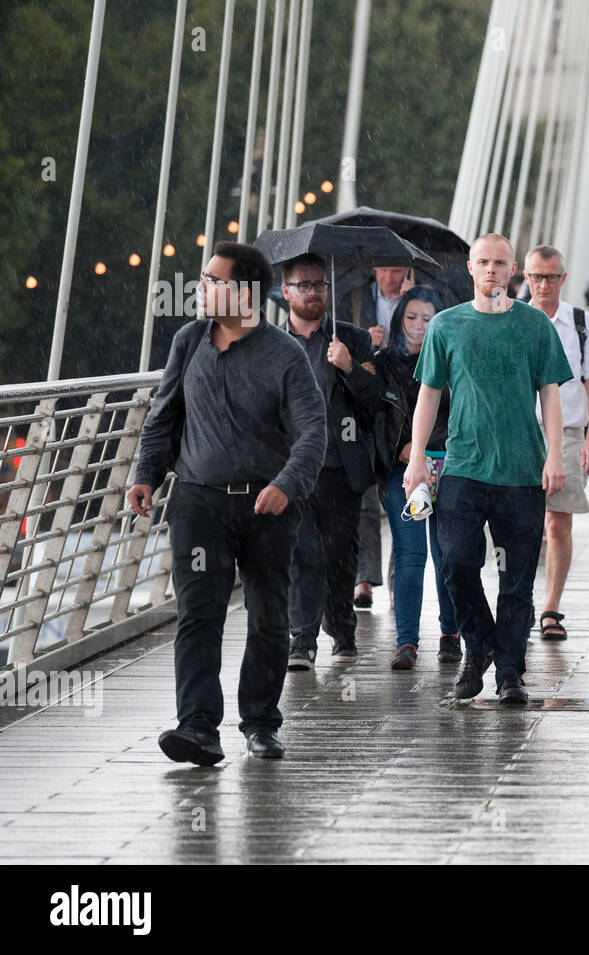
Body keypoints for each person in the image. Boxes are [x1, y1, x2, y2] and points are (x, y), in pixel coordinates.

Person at [128, 241, 325, 764]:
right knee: (198, 614)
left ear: (244, 293)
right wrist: (145, 475)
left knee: (267, 617)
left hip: (268, 507)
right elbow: (163, 417)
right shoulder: (188, 341)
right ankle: (197, 728)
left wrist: (287, 484)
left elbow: (312, 431)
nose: (201, 288)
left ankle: (260, 722)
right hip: (198, 503)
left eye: (212, 281)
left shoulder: (284, 355)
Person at [403, 233, 572, 705]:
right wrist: (418, 458)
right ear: (471, 269)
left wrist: (555, 455)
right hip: (463, 467)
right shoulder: (447, 326)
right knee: (456, 562)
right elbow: (429, 395)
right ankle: (478, 647)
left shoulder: (535, 326)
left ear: (513, 269)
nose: (492, 271)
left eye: (501, 263)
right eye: (484, 263)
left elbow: (551, 393)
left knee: (517, 580)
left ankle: (511, 674)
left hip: (522, 470)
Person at [281, 253, 383, 671]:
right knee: (301, 553)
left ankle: (342, 629)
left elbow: (375, 399)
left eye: (320, 284)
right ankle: (302, 640)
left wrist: (349, 368)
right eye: (303, 285)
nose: (313, 292)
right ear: (285, 291)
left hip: (341, 464)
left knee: (341, 553)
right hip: (291, 467)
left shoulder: (353, 339)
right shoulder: (271, 343)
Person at [523, 245, 589, 641]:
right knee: (519, 524)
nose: (543, 284)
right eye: (536, 276)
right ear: (524, 277)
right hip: (518, 433)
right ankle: (519, 599)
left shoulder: (583, 323)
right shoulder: (509, 318)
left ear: (563, 278)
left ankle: (551, 608)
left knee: (558, 522)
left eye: (551, 277)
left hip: (570, 433)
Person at [371, 285, 462, 669]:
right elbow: (372, 417)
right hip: (401, 469)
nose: (419, 325)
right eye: (411, 317)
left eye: (427, 318)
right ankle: (406, 642)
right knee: (411, 552)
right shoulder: (381, 362)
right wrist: (401, 450)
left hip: (448, 464)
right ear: (399, 319)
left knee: (449, 554)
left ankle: (450, 634)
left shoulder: (453, 359)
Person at [353, 265, 410, 609]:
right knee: (365, 501)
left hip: (398, 410)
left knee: (399, 498)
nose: (390, 277)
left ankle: (395, 582)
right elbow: (337, 339)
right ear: (373, 268)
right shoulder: (354, 297)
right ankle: (364, 578)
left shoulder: (417, 303)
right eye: (385, 270)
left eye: (397, 270)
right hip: (363, 408)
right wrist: (365, 340)